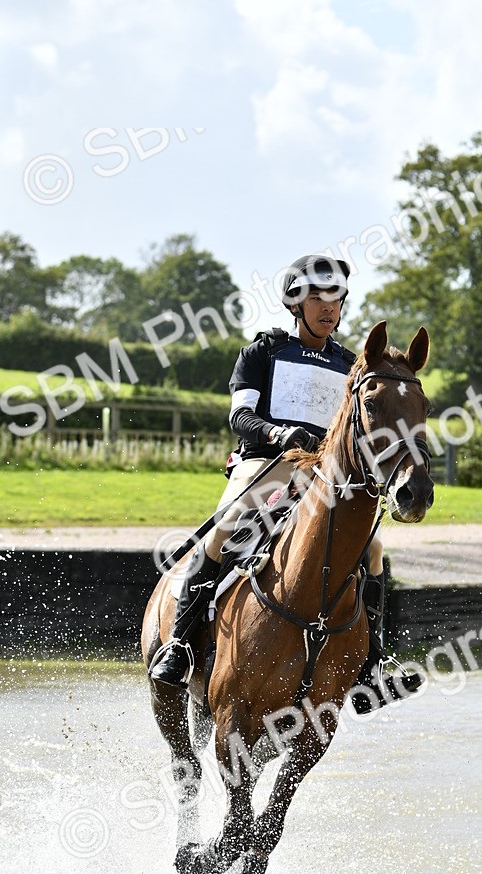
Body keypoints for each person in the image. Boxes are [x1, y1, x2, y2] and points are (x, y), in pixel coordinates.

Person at [149, 254, 422, 713]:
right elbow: (239, 415)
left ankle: (372, 665)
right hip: (266, 461)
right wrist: (279, 433)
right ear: (296, 301)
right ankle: (179, 644)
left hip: (324, 473)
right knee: (226, 526)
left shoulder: (352, 365)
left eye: (336, 298)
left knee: (372, 551)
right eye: (317, 297)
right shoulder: (262, 353)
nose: (328, 307)